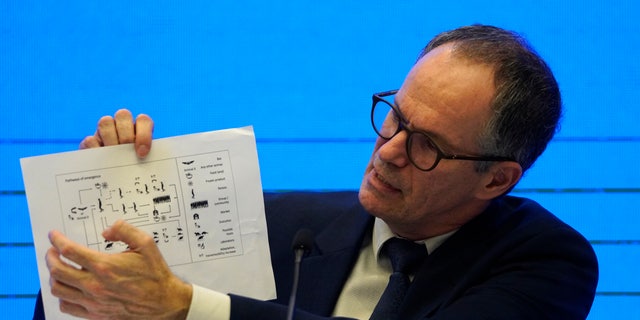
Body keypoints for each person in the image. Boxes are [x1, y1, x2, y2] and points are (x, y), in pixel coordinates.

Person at [35, 24, 598, 319]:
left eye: (426, 145)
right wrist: (102, 214)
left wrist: (185, 306)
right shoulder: (283, 224)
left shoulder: (547, 262)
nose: (389, 150)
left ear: (496, 179)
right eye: (395, 117)